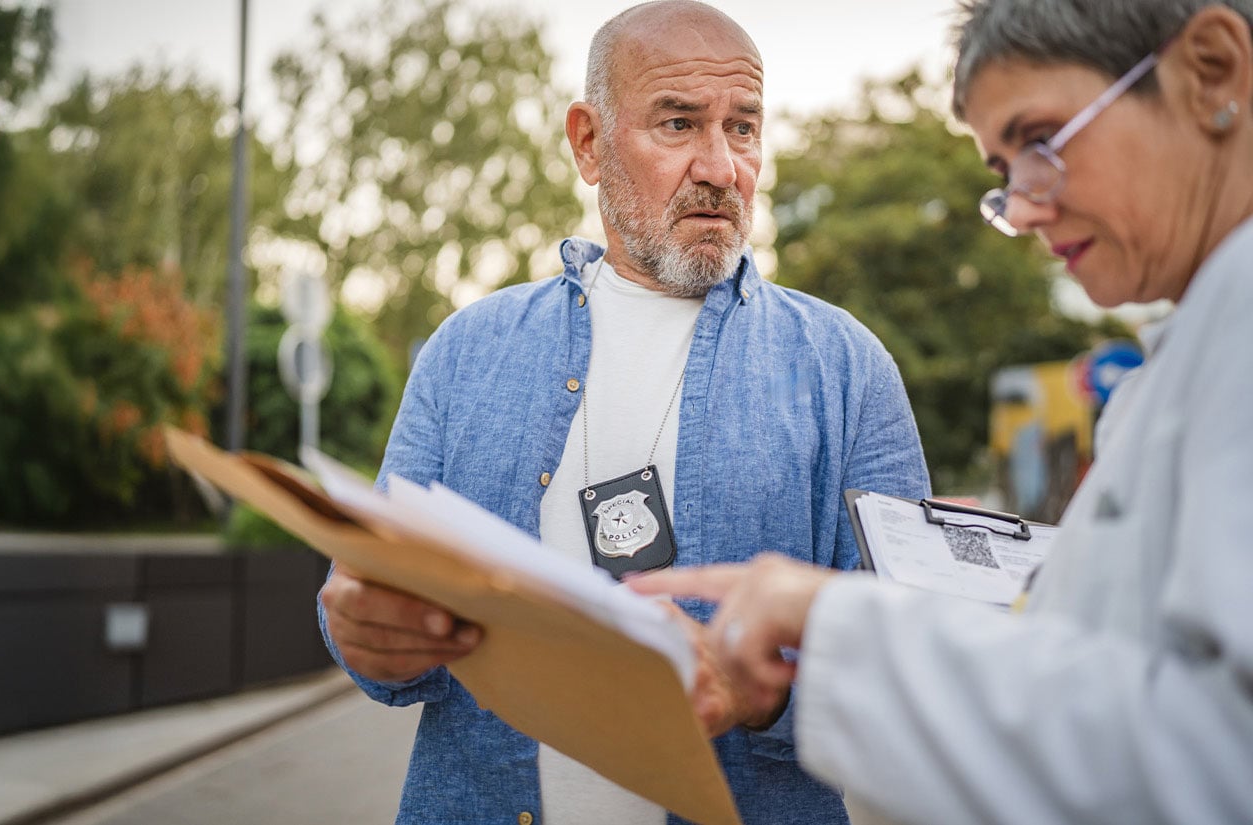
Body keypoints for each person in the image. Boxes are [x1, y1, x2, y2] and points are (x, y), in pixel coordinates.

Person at [627, 1, 1253, 822]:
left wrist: (840, 623)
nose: (1022, 209)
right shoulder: (1193, 343)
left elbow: (1219, 756)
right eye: (1005, 173)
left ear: (1211, 69)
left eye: (1041, 142)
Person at [314, 2, 930, 823]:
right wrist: (362, 634)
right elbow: (375, 626)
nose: (720, 165)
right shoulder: (465, 353)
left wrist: (763, 693)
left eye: (742, 128)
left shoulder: (848, 368)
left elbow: (913, 678)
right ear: (589, 143)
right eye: (678, 124)